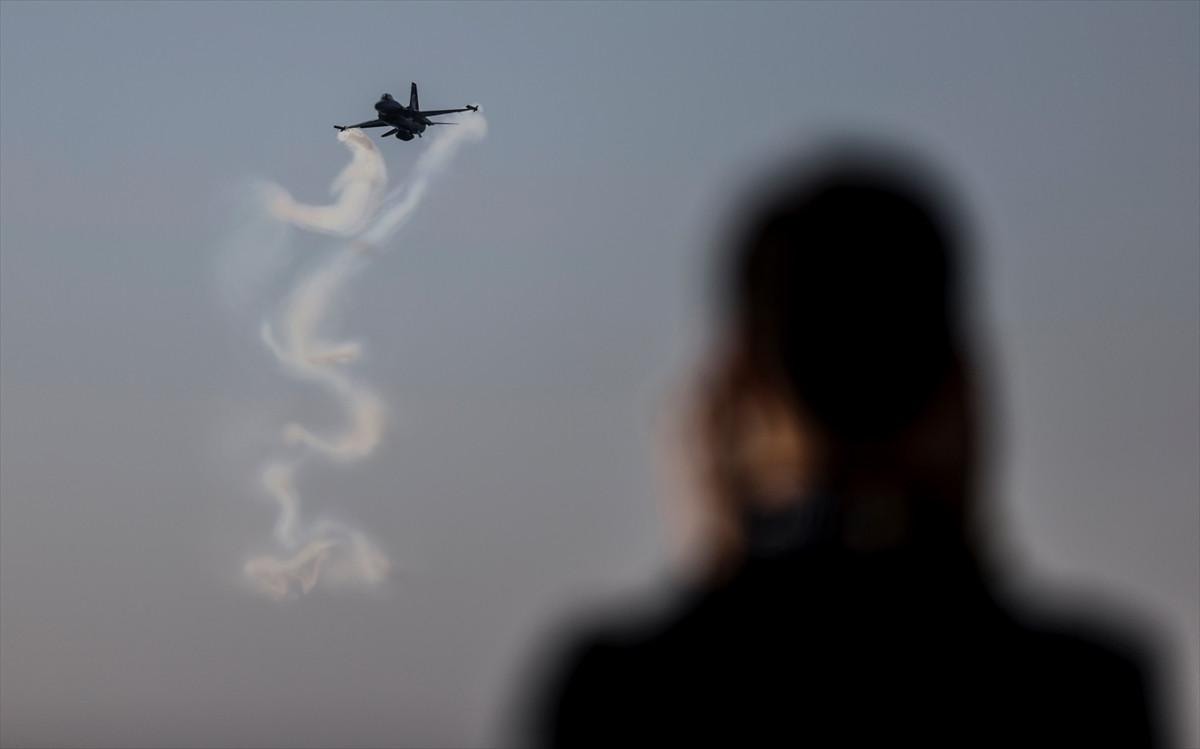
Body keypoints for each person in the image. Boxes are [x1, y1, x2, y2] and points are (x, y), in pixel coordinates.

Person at [522, 144, 1163, 746]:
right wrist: (964, 547)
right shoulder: (1093, 692)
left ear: (733, 394)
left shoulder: (614, 694)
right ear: (960, 389)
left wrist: (713, 567)